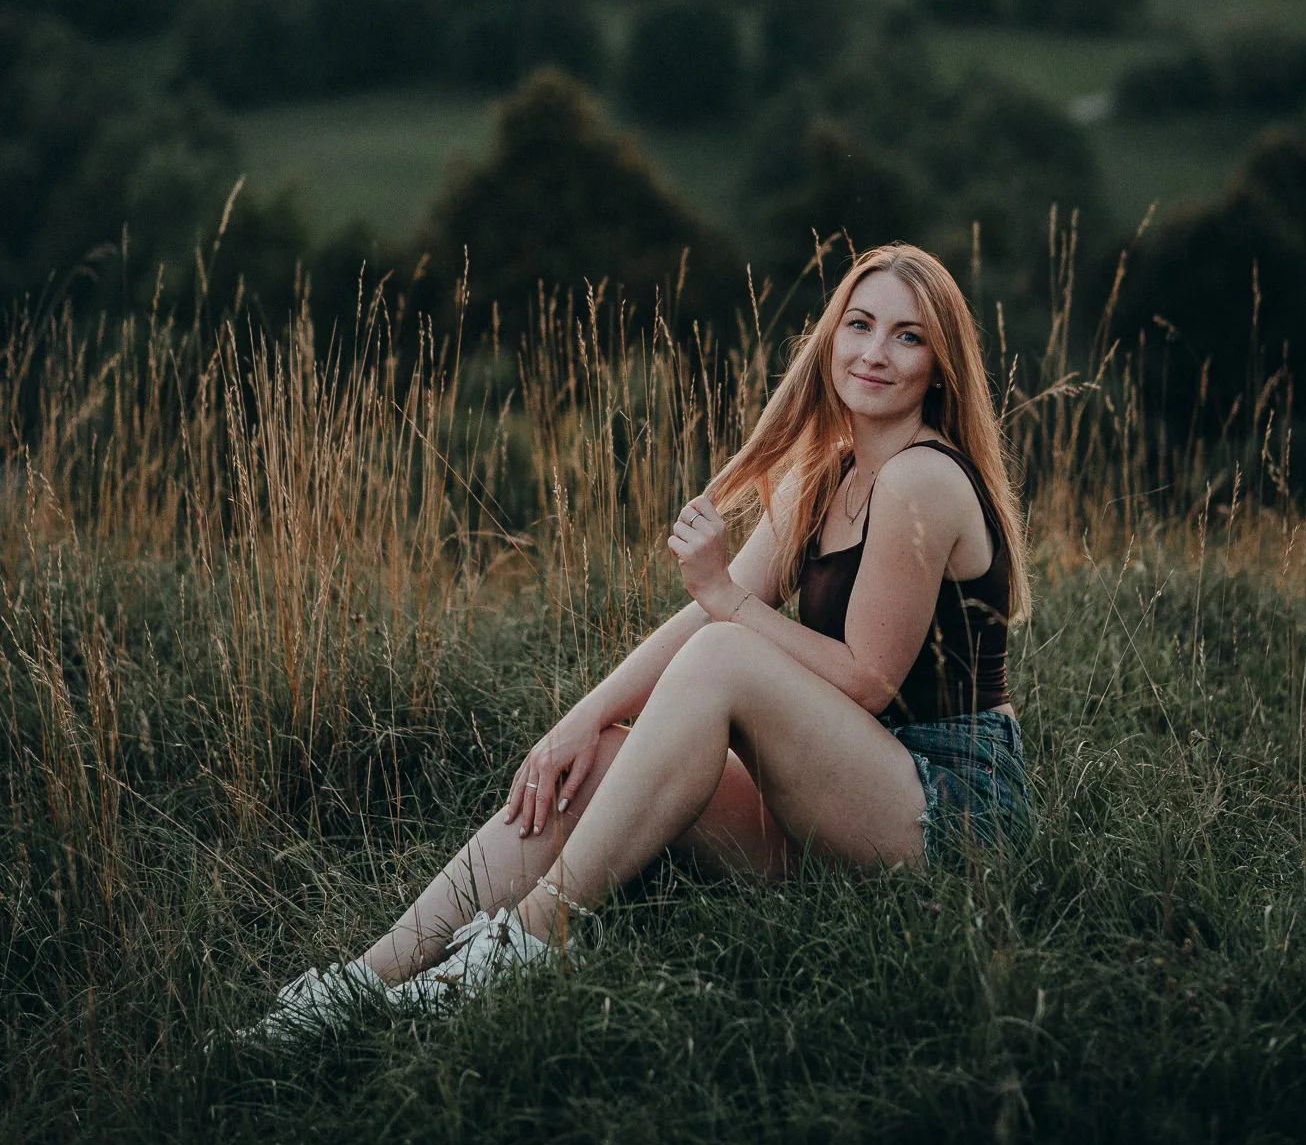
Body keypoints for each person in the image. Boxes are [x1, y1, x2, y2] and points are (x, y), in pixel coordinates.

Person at [243, 243, 1032, 1045]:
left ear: (939, 365)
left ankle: (527, 943)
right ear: (829, 338)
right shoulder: (827, 475)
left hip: (951, 815)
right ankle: (362, 982)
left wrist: (724, 595)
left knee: (727, 655)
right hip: (848, 782)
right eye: (858, 325)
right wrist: (580, 722)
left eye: (907, 336)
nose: (873, 352)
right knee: (609, 754)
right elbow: (700, 623)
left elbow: (865, 681)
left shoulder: (920, 479)